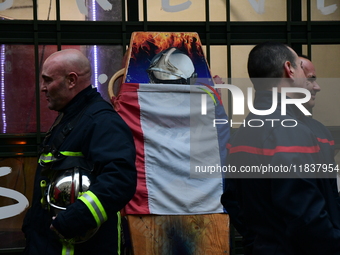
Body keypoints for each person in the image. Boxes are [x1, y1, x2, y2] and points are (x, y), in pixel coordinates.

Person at [221, 42, 340, 255]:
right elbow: (305, 216)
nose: (310, 80)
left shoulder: (242, 133)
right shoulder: (289, 130)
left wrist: (257, 241)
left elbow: (232, 199)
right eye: (302, 69)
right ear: (289, 69)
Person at [22, 49, 137, 255]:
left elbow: (120, 181)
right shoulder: (71, 117)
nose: (42, 88)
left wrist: (73, 220)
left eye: (48, 80)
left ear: (71, 80)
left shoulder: (101, 121)